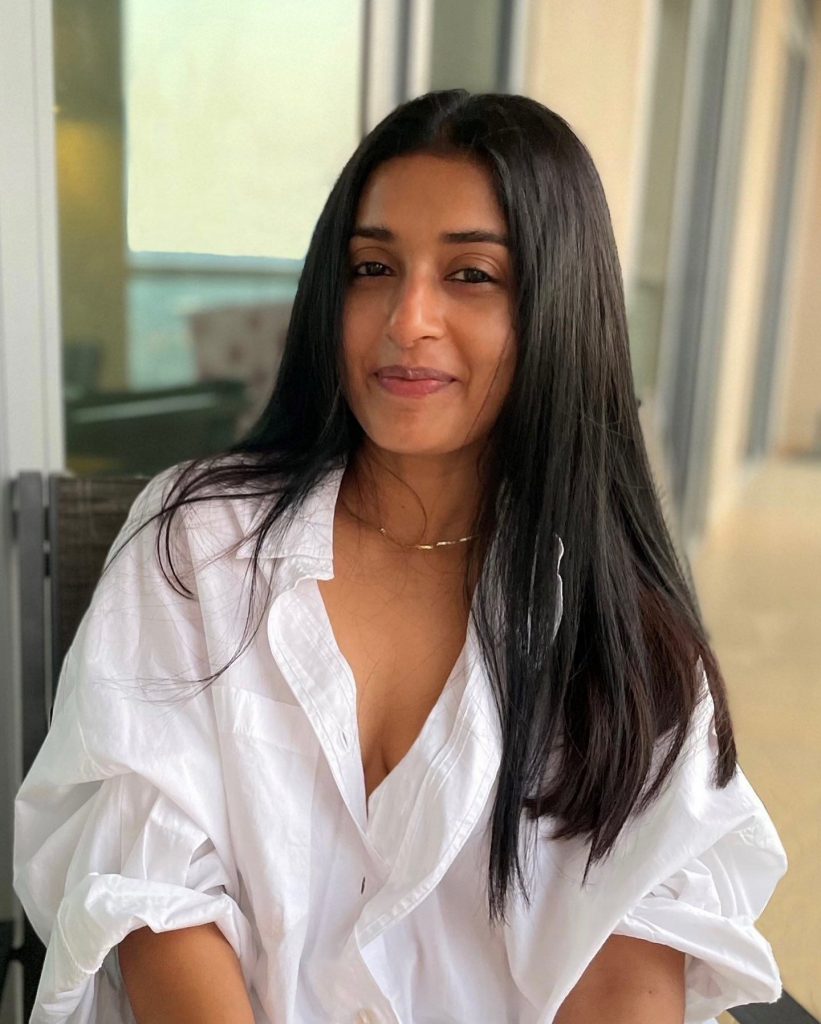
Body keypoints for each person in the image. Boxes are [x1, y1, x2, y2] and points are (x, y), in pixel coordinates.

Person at [14, 90, 786, 1024]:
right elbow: (151, 895)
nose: (406, 319)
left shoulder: (612, 622)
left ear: (557, 306)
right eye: (372, 267)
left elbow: (633, 947)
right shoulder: (200, 544)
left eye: (471, 274)